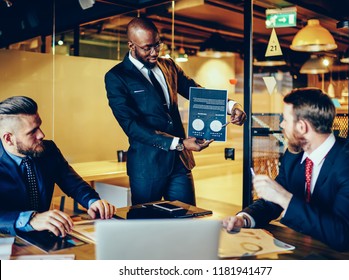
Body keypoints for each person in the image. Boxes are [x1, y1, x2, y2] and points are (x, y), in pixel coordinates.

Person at [104, 17, 246, 206]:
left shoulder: (168, 65)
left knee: (188, 220)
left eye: (157, 45)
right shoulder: (117, 77)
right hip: (147, 168)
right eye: (147, 48)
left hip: (180, 164)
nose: (154, 53)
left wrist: (231, 106)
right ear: (131, 45)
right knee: (147, 225)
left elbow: (196, 92)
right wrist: (180, 143)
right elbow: (132, 126)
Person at [223, 87, 349, 251]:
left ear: (302, 127)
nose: (281, 124)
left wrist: (285, 198)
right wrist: (244, 219)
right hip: (301, 247)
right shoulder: (294, 155)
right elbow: (272, 202)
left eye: (285, 119)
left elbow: (341, 235)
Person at [0, 96, 116, 237]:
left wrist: (93, 202)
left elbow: (74, 184)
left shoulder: (48, 150)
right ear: (8, 138)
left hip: (44, 236)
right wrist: (31, 219)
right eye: (32, 132)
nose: (41, 134)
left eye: (40, 126)